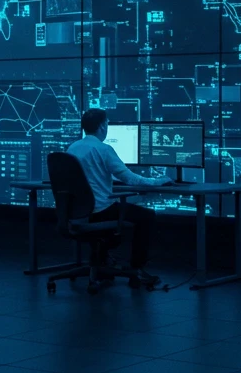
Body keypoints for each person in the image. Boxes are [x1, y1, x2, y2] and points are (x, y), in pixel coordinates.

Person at [66, 109, 169, 286]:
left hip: (79, 213)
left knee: (117, 211)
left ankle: (102, 263)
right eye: (107, 123)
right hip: (101, 211)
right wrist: (159, 181)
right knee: (147, 216)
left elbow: (86, 178)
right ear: (101, 126)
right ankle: (137, 270)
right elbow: (130, 178)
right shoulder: (103, 149)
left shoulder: (72, 148)